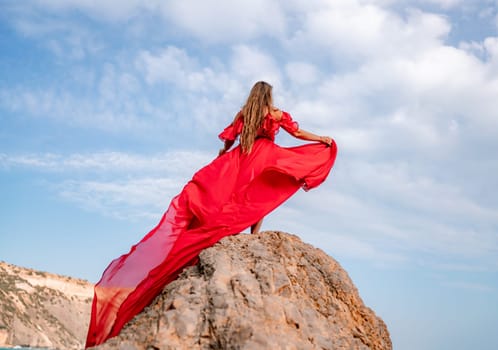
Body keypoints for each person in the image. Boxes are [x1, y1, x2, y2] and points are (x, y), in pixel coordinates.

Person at [85, 81, 337, 348]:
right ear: (269, 95)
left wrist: (224, 153)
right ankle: (254, 233)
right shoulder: (274, 114)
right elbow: (296, 134)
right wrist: (321, 139)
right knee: (258, 195)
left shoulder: (246, 112)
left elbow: (230, 137)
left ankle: (236, 228)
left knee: (236, 197)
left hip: (243, 156)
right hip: (263, 156)